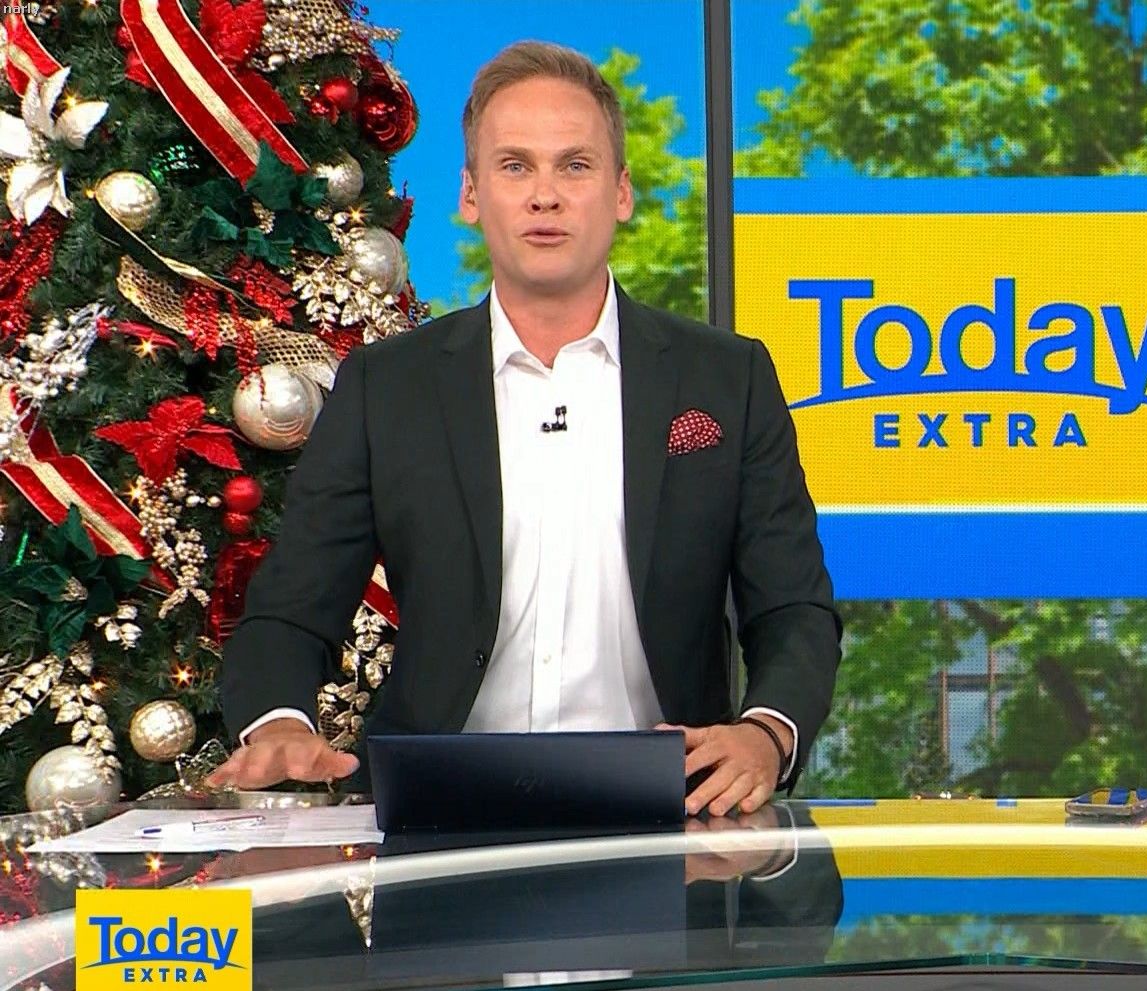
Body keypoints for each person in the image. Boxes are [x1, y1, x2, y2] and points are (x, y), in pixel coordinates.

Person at [212, 41, 841, 817]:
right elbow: (290, 609)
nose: (545, 196)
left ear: (621, 192)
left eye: (575, 166)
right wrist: (280, 722)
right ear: (471, 195)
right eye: (515, 166)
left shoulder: (727, 379)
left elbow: (793, 609)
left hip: (673, 817)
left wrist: (766, 734)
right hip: (434, 818)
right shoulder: (386, 387)